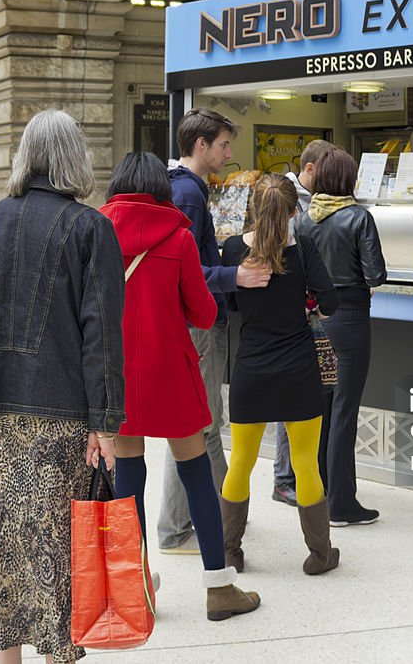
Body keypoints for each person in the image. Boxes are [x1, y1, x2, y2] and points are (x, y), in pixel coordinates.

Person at [0, 110, 125, 664]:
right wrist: (106, 423)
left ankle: (7, 658)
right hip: (59, 411)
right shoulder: (91, 227)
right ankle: (59, 654)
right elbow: (101, 333)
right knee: (58, 542)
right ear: (75, 159)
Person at [99, 151, 261, 621]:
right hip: (171, 372)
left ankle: (134, 590)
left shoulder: (96, 230)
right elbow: (204, 312)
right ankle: (219, 588)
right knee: (195, 476)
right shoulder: (179, 235)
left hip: (119, 376)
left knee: (127, 482)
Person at [158, 108, 272, 554]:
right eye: (223, 145)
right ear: (200, 145)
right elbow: (181, 270)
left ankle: (226, 513)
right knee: (196, 426)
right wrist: (233, 277)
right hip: (195, 327)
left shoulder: (184, 188)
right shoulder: (187, 193)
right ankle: (176, 528)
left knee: (203, 423)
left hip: (195, 323)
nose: (229, 153)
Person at [220, 173, 341, 575]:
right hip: (297, 369)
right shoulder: (304, 251)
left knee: (240, 461)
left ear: (253, 209)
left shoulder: (235, 249)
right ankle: (320, 554)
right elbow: (331, 302)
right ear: (294, 212)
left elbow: (231, 306)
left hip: (251, 370)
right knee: (306, 463)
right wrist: (308, 310)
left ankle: (230, 552)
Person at [295, 148, 387, 527]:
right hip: (350, 319)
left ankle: (320, 496)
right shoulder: (358, 217)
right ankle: (342, 506)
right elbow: (376, 273)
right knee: (345, 412)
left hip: (313, 320)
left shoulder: (302, 221)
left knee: (321, 413)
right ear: (349, 180)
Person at [271, 138, 338, 507]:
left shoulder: (311, 203)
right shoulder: (290, 202)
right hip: (294, 315)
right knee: (292, 401)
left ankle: (292, 474)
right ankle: (286, 478)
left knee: (296, 401)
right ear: (309, 169)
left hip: (291, 313)